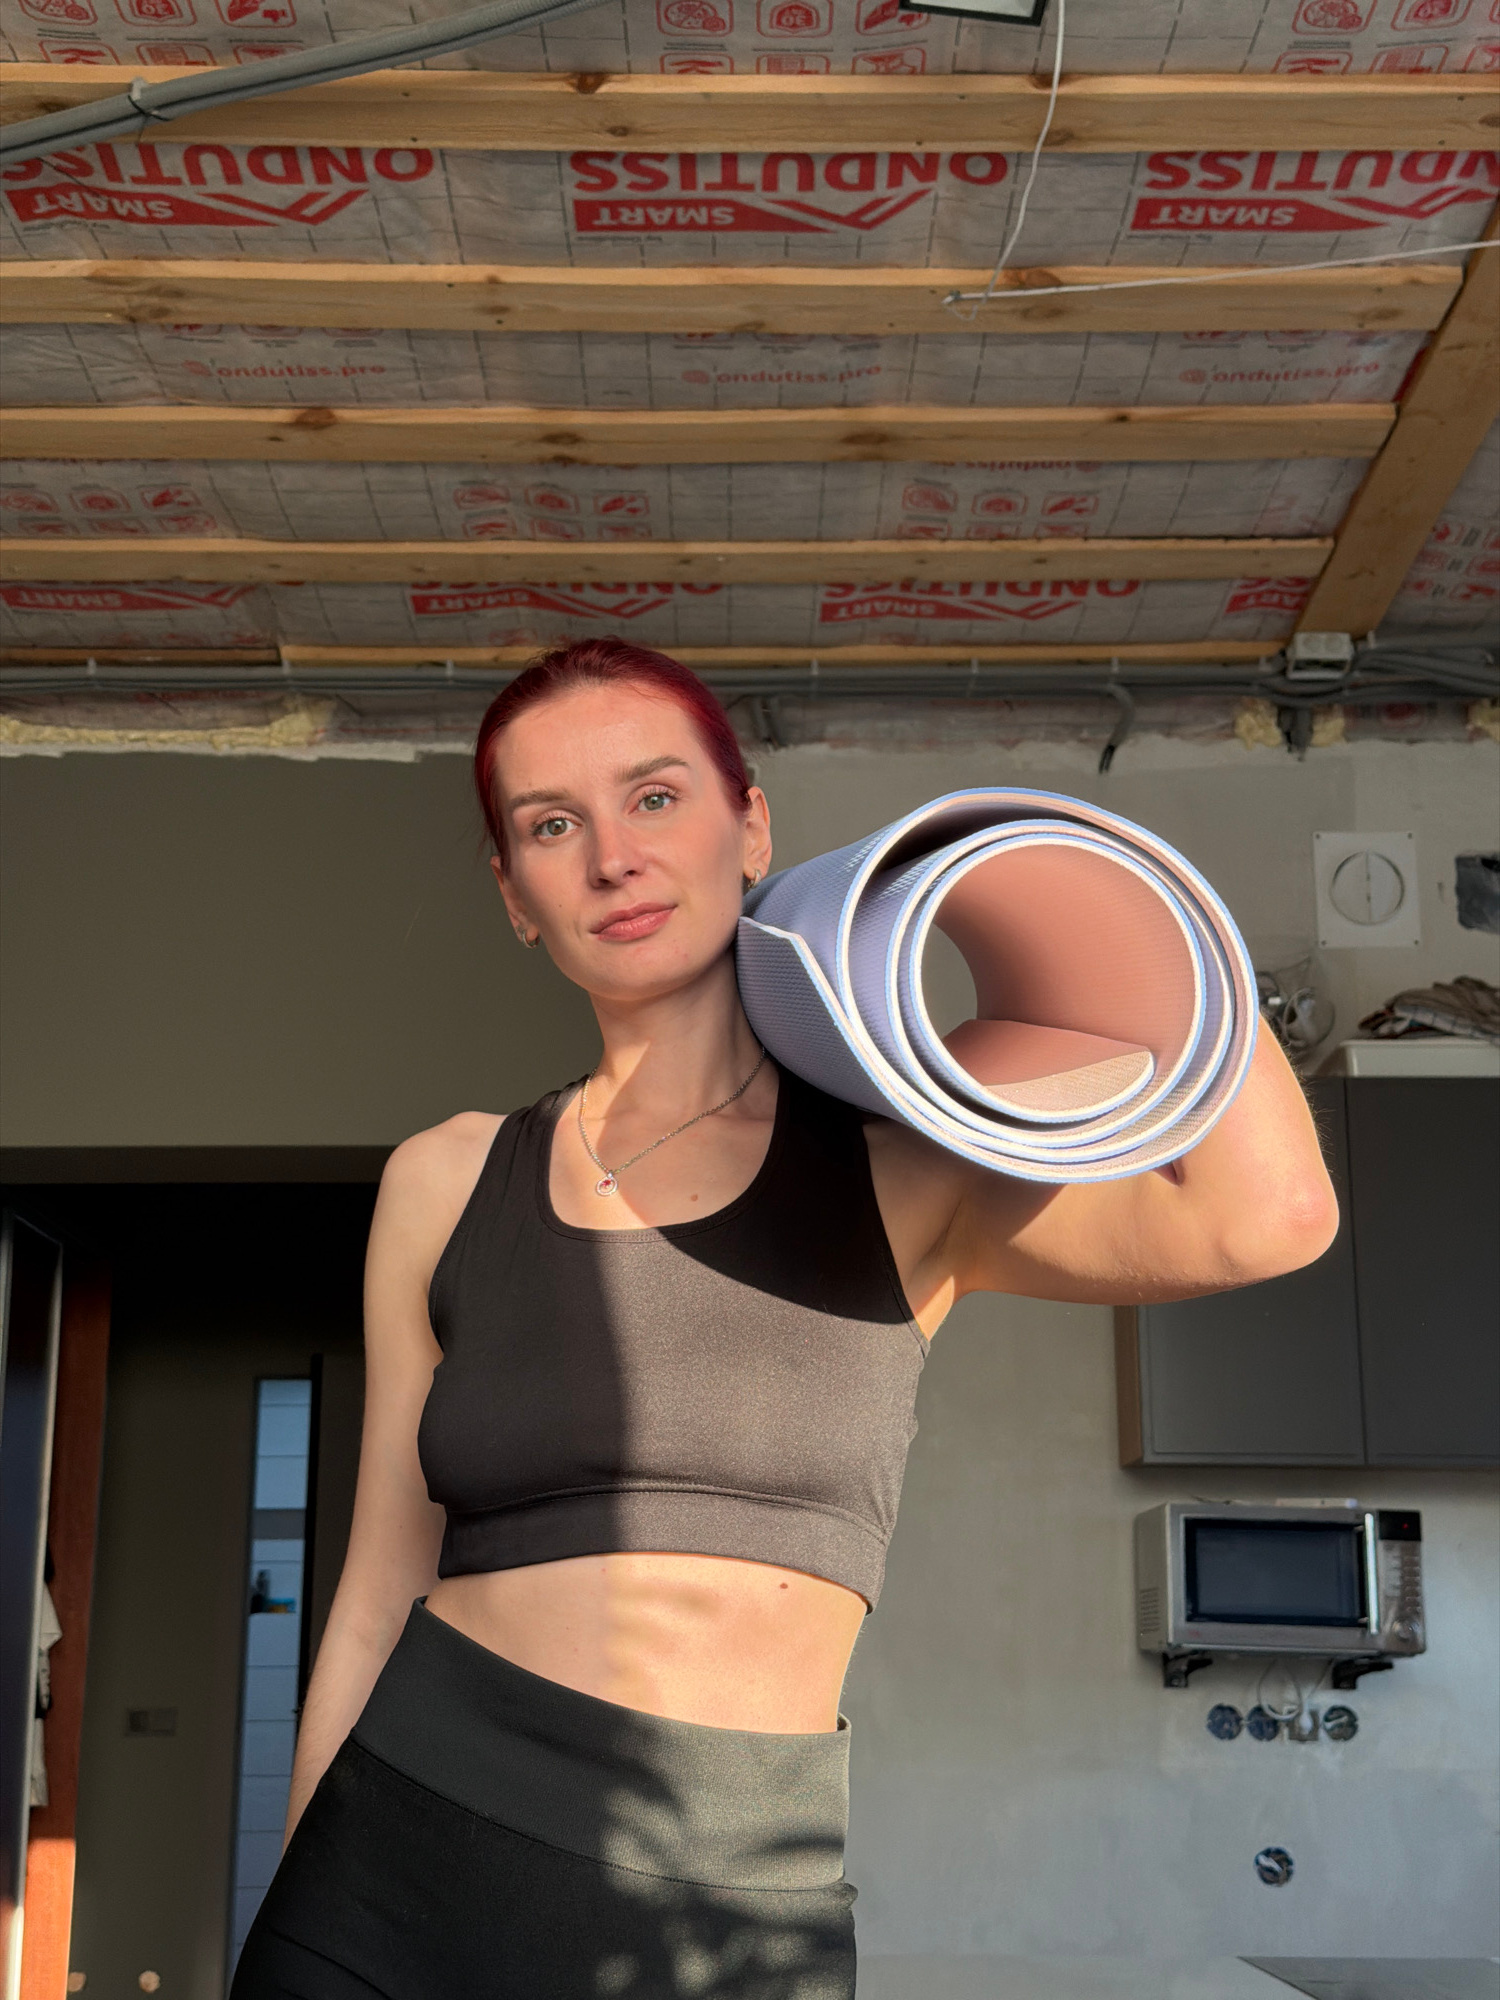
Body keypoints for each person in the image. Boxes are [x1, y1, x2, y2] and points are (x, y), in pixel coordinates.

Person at [232, 637, 1337, 1998]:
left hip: (730, 1897)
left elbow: (1267, 1218)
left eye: (655, 797)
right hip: (392, 1868)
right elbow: (374, 1594)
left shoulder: (907, 1171)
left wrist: (1131, 902)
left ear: (750, 827)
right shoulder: (447, 1179)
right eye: (552, 826)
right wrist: (295, 1907)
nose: (614, 859)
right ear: (516, 895)